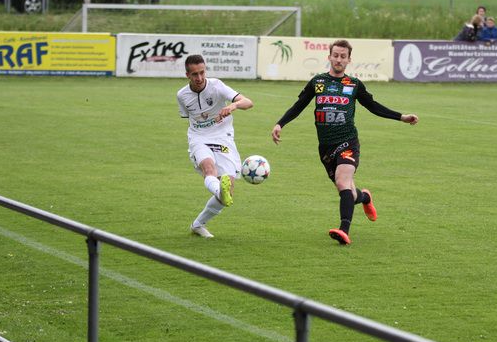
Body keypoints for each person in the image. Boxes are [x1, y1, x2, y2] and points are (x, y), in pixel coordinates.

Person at [271, 40, 419, 245]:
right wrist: (280, 123)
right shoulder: (318, 82)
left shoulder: (354, 84)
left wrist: (401, 117)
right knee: (349, 192)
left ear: (349, 60)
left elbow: (373, 106)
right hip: (325, 147)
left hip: (348, 142)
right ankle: (365, 197)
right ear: (329, 57)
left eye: (343, 56)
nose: (339, 59)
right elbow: (299, 105)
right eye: (336, 55)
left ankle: (343, 231)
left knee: (342, 182)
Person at [176, 54, 254, 238]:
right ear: (187, 75)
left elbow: (248, 102)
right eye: (194, 74)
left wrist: (233, 106)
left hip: (223, 138)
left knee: (227, 195)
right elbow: (189, 117)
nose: (199, 77)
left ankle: (198, 225)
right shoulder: (182, 95)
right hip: (198, 138)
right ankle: (220, 190)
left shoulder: (217, 85)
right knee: (209, 168)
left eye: (202, 72)